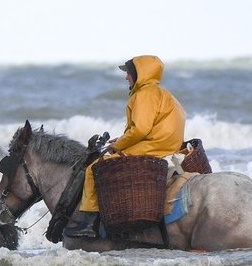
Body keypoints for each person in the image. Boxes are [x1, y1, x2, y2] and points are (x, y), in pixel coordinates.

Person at [66, 55, 187, 238]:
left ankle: (89, 224)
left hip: (154, 146)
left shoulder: (143, 95)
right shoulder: (163, 94)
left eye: (129, 73)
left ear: (140, 74)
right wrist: (120, 140)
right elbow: (146, 128)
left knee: (94, 168)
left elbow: (140, 130)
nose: (126, 77)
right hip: (167, 144)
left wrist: (118, 146)